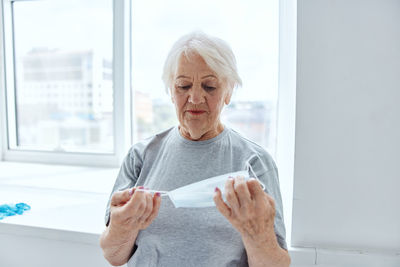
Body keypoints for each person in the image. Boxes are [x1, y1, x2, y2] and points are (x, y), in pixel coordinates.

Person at [100, 31, 291, 267]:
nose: (196, 97)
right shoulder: (140, 156)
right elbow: (114, 255)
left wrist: (258, 235)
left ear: (229, 91)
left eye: (210, 86)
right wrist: (122, 227)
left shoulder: (255, 163)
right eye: (183, 85)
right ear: (171, 90)